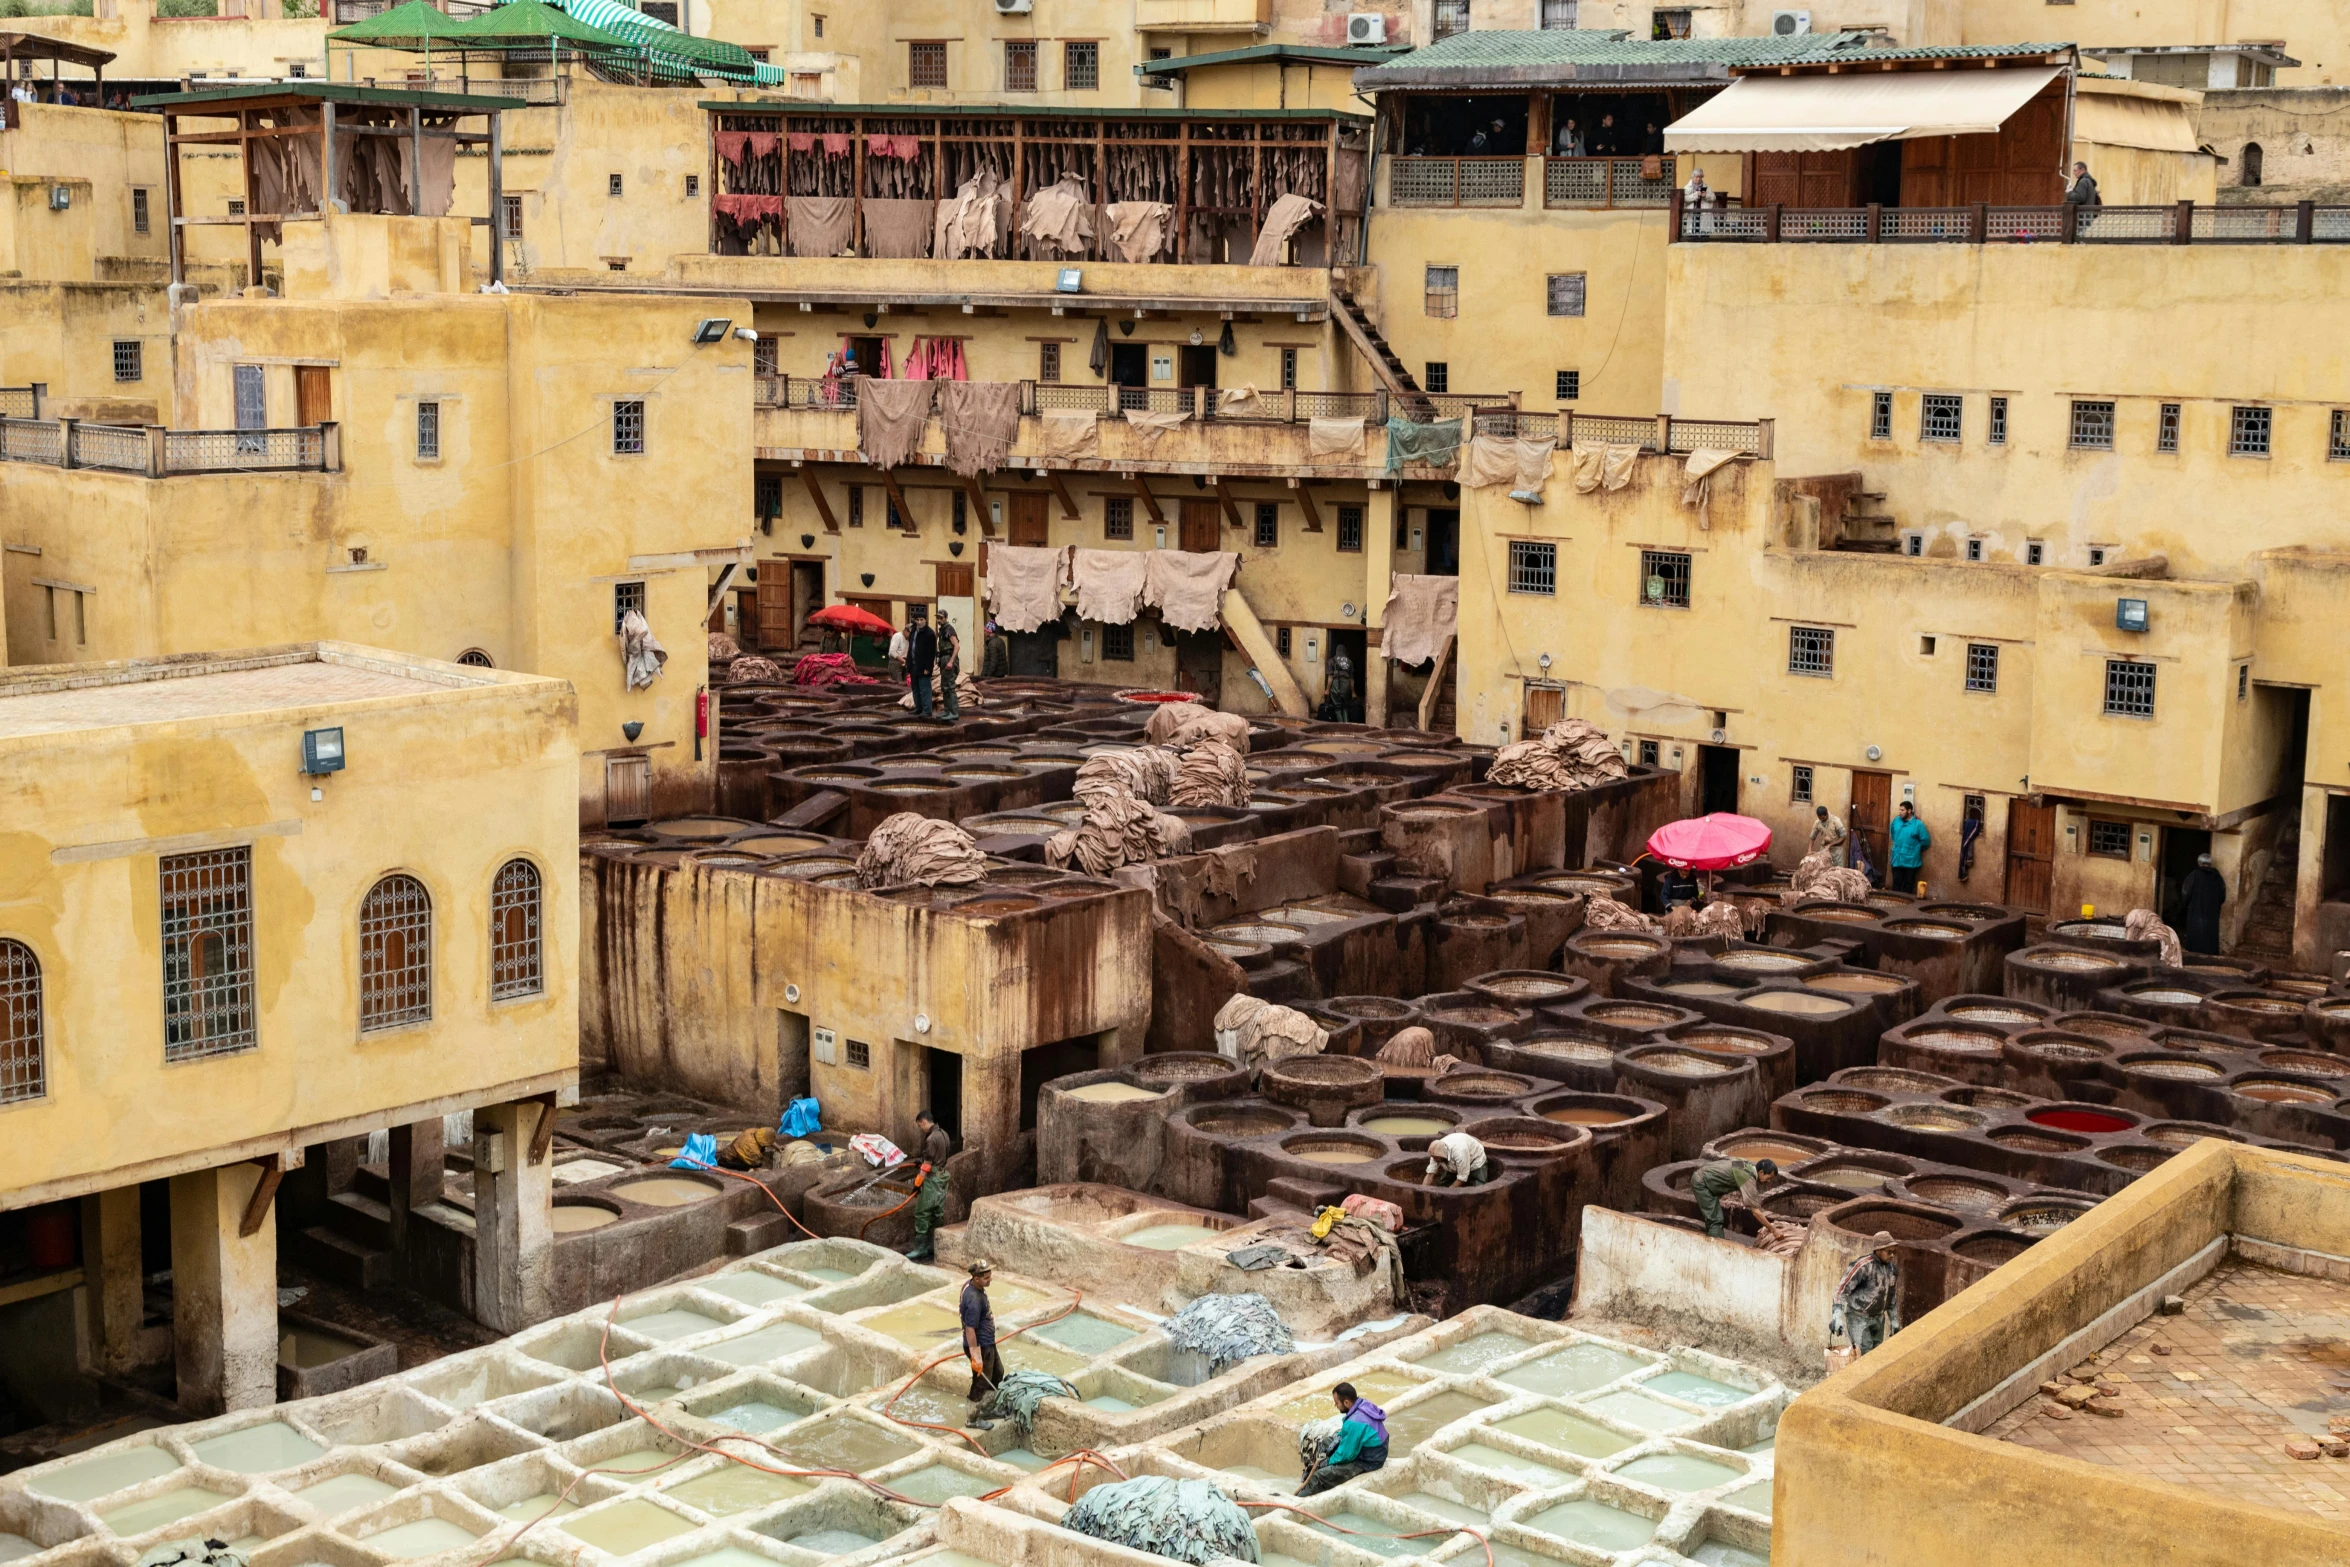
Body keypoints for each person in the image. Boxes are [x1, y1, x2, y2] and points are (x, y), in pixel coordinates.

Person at [1298, 1383, 1389, 1495]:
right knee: (1327, 1442)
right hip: (1370, 1449)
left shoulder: (1354, 1422)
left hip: (1369, 1460)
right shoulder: (1362, 1404)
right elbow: (1347, 1435)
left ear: (1346, 1402)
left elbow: (1346, 1455)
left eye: (1337, 1402)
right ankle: (1319, 1471)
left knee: (1319, 1476)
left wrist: (1327, 1463)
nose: (1335, 1405)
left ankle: (1300, 1498)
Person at [1832, 1232, 1903, 1355]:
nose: (1892, 1255)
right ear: (1878, 1250)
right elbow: (1841, 1291)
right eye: (1889, 1251)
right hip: (1858, 1317)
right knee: (1864, 1354)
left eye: (1894, 1252)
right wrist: (1836, 1316)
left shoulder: (1892, 1270)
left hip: (1878, 1318)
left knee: (1875, 1354)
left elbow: (1891, 1298)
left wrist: (1894, 1320)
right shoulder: (1862, 1266)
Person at [1691, 1156, 1779, 1240]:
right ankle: (1717, 1246)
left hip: (1704, 1176)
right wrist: (1773, 1230)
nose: (1768, 1181)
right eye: (1768, 1178)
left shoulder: (1746, 1164)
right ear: (1761, 1172)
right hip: (1702, 1184)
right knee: (1716, 1220)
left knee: (1713, 1215)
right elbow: (1756, 1212)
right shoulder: (1747, 1178)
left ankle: (1712, 1238)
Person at [960, 1260, 1004, 1422]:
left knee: (997, 1373)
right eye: (986, 1278)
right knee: (980, 1383)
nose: (990, 1280)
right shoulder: (974, 1299)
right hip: (980, 1346)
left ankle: (988, 1409)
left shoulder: (972, 1286)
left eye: (990, 1276)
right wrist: (976, 1356)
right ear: (976, 1278)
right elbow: (970, 1329)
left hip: (988, 1343)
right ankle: (972, 1419)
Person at [2177, 851, 2228, 956]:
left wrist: (2185, 906)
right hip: (2212, 914)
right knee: (2210, 936)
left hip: (2196, 912)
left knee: (2196, 936)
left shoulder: (2194, 875)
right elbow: (2222, 897)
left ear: (2199, 863)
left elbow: (2186, 894)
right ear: (2210, 864)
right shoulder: (2218, 877)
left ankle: (2195, 958)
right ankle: (2210, 958)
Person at [904, 1155, 951, 1264]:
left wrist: (917, 1184)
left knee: (922, 1213)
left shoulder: (932, 1139)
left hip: (932, 1180)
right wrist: (922, 1161)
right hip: (941, 1177)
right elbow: (937, 1159)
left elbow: (926, 1166)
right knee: (937, 1213)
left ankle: (920, 1249)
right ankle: (932, 1246)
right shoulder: (944, 1137)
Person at [1888, 800, 1931, 896]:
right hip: (1897, 858)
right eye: (1899, 810)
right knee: (1896, 883)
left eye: (1902, 810)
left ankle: (1905, 908)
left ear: (1909, 811)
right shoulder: (1896, 821)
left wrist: (1916, 849)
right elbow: (1893, 833)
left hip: (1910, 860)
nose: (1900, 812)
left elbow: (1925, 841)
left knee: (1908, 884)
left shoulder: (1918, 824)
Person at [1425, 1131, 1491, 1188]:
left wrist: (1449, 1192)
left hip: (1475, 1160)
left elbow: (1463, 1177)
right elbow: (1430, 1174)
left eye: (1436, 1158)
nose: (1434, 1159)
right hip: (1455, 1164)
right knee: (1441, 1186)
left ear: (1442, 1155)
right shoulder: (1435, 1153)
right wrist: (1422, 1191)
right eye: (1433, 1157)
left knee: (1479, 1190)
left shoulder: (1459, 1152)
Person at [908, 613, 937, 719]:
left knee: (925, 689)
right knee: (915, 688)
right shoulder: (914, 631)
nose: (919, 622)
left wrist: (928, 668)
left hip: (923, 666)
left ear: (925, 620)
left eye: (921, 619)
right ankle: (918, 708)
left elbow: (931, 653)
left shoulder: (929, 634)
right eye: (918, 620)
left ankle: (927, 710)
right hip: (913, 665)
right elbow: (911, 648)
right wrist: (908, 664)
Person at [935, 614, 962, 722]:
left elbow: (956, 645)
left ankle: (953, 712)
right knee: (944, 686)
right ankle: (947, 710)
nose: (939, 620)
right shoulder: (942, 630)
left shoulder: (949, 629)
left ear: (946, 618)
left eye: (941, 618)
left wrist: (951, 661)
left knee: (950, 686)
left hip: (949, 658)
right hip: (943, 658)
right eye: (938, 618)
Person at [886, 618, 908, 683]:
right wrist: (903, 660)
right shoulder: (898, 636)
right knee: (898, 682)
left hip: (904, 661)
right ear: (905, 631)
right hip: (895, 662)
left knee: (905, 682)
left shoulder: (909, 639)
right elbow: (892, 651)